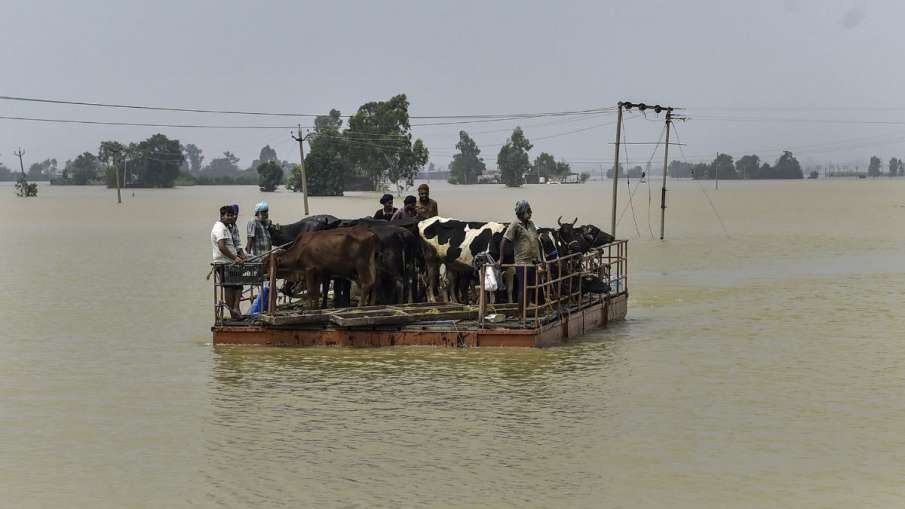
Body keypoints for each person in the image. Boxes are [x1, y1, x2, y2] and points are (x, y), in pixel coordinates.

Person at [499, 200, 542, 314]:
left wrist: (540, 259)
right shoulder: (515, 225)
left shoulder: (531, 224)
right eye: (528, 211)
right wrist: (501, 258)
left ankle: (525, 311)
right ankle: (520, 314)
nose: (531, 213)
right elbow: (504, 240)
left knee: (530, 288)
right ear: (522, 212)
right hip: (522, 263)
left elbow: (535, 241)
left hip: (533, 262)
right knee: (523, 289)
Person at [212, 205, 246, 319]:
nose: (231, 217)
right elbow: (221, 247)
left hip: (230, 262)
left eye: (232, 215)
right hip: (225, 263)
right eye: (228, 215)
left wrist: (239, 257)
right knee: (230, 287)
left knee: (236, 286)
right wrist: (235, 258)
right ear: (222, 216)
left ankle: (235, 311)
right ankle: (234, 311)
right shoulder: (220, 228)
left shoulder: (226, 227)